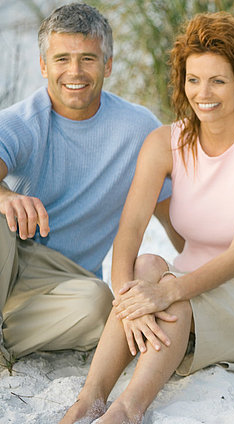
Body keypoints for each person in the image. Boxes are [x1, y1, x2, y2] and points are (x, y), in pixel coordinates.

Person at [61, 11, 234, 424]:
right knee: (146, 266)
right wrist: (127, 298)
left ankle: (126, 411)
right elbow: (130, 231)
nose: (203, 93)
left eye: (218, 80)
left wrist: (167, 293)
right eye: (193, 79)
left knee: (173, 298)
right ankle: (89, 399)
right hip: (185, 278)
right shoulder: (163, 142)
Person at [0, 3, 171, 367]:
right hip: (10, 255)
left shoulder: (139, 129)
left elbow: (174, 216)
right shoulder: (20, 122)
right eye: (61, 59)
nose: (74, 72)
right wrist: (5, 195)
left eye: (88, 59)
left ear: (107, 64)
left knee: (99, 305)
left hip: (65, 282)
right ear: (44, 65)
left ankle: (5, 336)